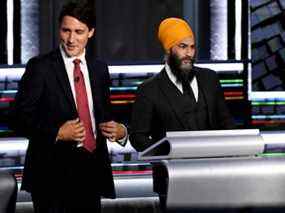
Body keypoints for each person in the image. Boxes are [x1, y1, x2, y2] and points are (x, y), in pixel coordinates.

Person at [9, 1, 127, 212]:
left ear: (91, 32)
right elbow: (17, 118)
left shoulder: (99, 69)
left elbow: (105, 116)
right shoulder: (40, 67)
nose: (71, 39)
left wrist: (121, 131)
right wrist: (57, 132)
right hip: (51, 178)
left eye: (79, 32)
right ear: (59, 30)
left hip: (91, 175)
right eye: (66, 30)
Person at [130, 17, 235, 152]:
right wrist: (166, 154)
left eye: (192, 47)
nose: (189, 53)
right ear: (168, 49)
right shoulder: (148, 90)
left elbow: (227, 123)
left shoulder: (210, 78)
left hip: (212, 167)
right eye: (182, 46)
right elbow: (138, 137)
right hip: (173, 169)